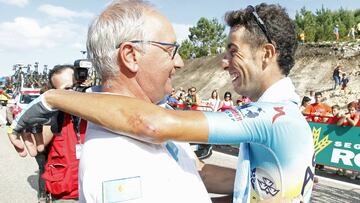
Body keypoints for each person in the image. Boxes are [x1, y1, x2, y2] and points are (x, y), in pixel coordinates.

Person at [10, 3, 315, 202]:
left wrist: (56, 98)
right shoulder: (115, 139)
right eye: (171, 49)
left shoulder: (277, 116)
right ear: (130, 56)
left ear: (266, 54)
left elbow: (152, 125)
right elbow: (201, 174)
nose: (223, 62)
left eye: (233, 51)